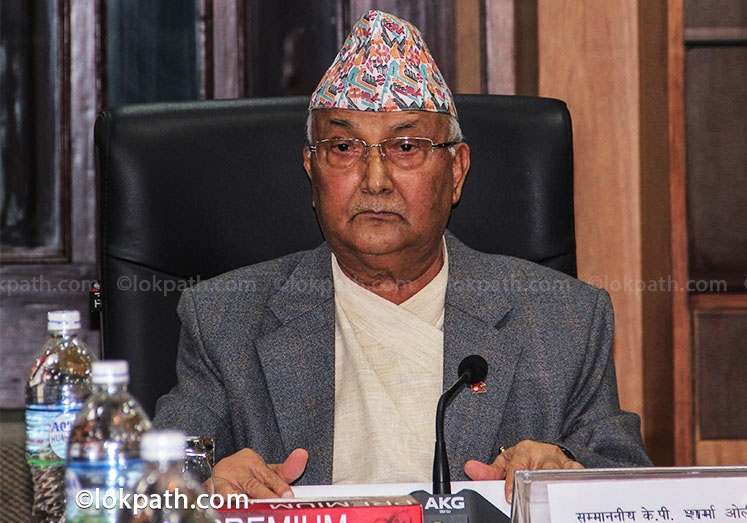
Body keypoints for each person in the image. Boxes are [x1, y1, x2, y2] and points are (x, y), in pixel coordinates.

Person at [153, 9, 651, 503]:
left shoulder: (567, 319)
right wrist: (201, 485)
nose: (375, 180)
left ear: (456, 171)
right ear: (311, 168)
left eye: (407, 146)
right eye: (344, 147)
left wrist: (567, 472)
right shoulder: (224, 319)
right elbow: (153, 485)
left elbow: (632, 485)